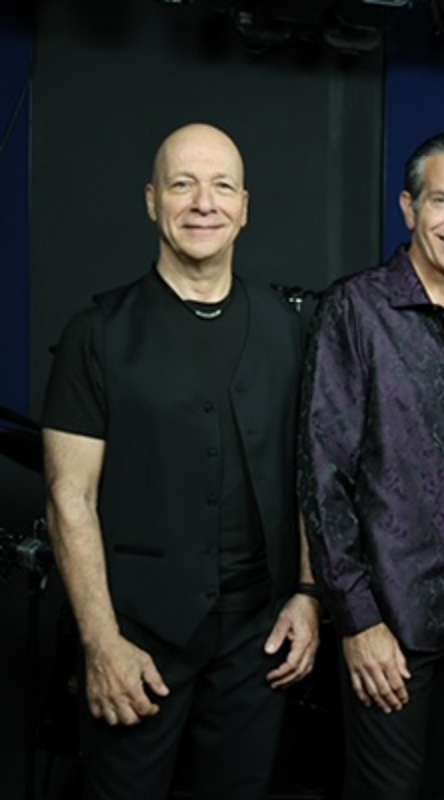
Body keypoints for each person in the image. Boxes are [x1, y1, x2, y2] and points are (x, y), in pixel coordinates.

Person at [42, 123, 319, 800]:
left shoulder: (290, 329)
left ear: (245, 208)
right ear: (151, 201)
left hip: (257, 643)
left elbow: (310, 474)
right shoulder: (95, 335)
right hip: (137, 642)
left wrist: (310, 595)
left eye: (222, 187)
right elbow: (69, 498)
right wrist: (101, 643)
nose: (204, 203)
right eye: (183, 185)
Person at [299, 131, 444, 800]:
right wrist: (358, 621)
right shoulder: (355, 310)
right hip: (390, 624)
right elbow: (322, 475)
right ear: (409, 207)